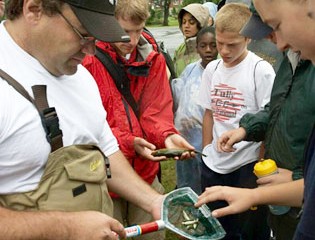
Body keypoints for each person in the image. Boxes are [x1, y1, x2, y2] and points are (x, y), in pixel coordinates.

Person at [0, 0, 167, 239]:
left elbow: (106, 149)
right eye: (83, 35)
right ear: (34, 9)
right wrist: (65, 228)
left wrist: (153, 200)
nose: (91, 50)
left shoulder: (81, 77)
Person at [195, 0, 315, 239]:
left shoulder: (264, 68)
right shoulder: (293, 59)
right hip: (283, 196)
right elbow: (276, 111)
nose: (278, 43)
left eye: (276, 25)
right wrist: (245, 129)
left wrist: (297, 179)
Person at [82, 1, 194, 239]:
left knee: (152, 234)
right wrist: (128, 142)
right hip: (101, 175)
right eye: (124, 32)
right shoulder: (87, 60)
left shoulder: (154, 58)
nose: (132, 41)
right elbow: (87, 126)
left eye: (138, 30)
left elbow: (155, 112)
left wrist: (168, 136)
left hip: (144, 173)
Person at [197, 3, 275, 239]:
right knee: (217, 226)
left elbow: (268, 120)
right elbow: (209, 113)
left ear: (249, 39)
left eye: (232, 45)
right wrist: (206, 150)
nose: (224, 50)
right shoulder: (212, 69)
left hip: (246, 166)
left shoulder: (260, 71)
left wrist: (259, 165)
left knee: (249, 230)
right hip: (213, 165)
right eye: (220, 43)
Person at [171, 26, 218, 195]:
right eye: (203, 45)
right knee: (188, 185)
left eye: (213, 45)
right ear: (197, 47)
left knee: (209, 186)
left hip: (212, 142)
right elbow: (180, 99)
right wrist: (182, 121)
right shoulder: (190, 70)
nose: (208, 50)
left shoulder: (222, 72)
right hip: (187, 140)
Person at [173, 3, 209, 78]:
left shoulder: (209, 48)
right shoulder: (179, 50)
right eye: (184, 22)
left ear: (200, 24)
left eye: (191, 22)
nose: (186, 26)